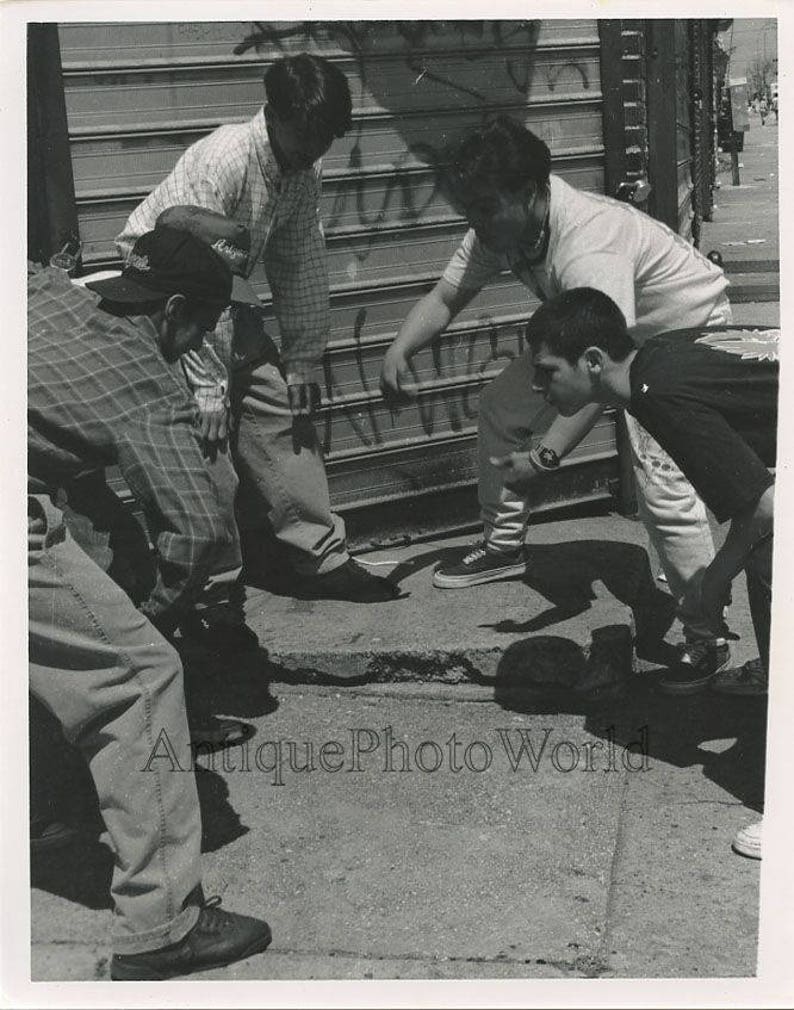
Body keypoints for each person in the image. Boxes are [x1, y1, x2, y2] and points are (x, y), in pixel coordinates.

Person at [380, 115, 733, 682]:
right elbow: (446, 297)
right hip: (603, 333)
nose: (475, 224)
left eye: (485, 208)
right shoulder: (503, 224)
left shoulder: (588, 244)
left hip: (680, 335)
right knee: (502, 406)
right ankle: (503, 547)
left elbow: (602, 375)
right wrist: (400, 348)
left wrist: (547, 456)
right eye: (468, 211)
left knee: (661, 487)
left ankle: (707, 636)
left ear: (531, 192)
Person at [29, 226, 272, 978]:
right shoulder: (144, 377)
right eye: (201, 326)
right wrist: (154, 615)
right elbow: (200, 534)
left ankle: (41, 815)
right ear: (171, 312)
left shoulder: (46, 294)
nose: (197, 342)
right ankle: (163, 925)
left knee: (54, 638)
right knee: (139, 678)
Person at [117, 52, 399, 603]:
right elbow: (187, 281)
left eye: (325, 140)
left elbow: (298, 261)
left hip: (223, 296)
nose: (316, 151)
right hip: (159, 299)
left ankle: (320, 557)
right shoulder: (223, 159)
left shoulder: (303, 166)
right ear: (273, 114)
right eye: (307, 136)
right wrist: (206, 385)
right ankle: (212, 591)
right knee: (205, 433)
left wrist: (302, 358)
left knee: (281, 404)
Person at [523, 286, 777, 859]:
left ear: (592, 361)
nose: (539, 388)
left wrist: (711, 586)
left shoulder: (655, 391)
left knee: (766, 561)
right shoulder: (662, 353)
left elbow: (762, 506)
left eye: (546, 371)